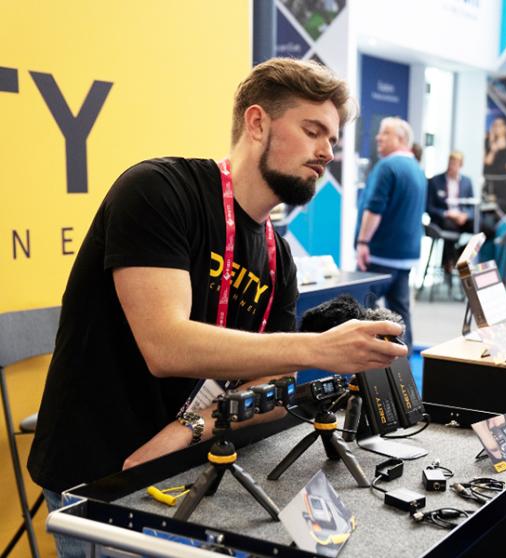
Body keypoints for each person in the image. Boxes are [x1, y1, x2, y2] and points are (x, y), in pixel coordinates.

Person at [27, 58, 406, 555]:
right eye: (313, 131)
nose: (327, 152)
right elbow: (166, 345)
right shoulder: (159, 192)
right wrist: (317, 347)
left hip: (189, 464)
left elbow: (268, 380)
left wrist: (187, 431)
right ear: (256, 123)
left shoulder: (278, 255)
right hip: (102, 477)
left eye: (333, 139)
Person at [355, 116, 426, 350]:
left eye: (385, 133)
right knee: (401, 312)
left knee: (362, 311)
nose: (378, 137)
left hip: (379, 254)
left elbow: (374, 209)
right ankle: (402, 360)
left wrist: (363, 242)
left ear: (400, 139)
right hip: (404, 256)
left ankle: (359, 368)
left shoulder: (387, 167)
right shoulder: (417, 168)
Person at [426, 150, 475, 273]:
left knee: (487, 228)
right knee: (450, 226)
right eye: (450, 162)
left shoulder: (467, 182)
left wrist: (466, 215)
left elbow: (472, 206)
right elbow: (428, 207)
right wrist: (447, 214)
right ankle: (449, 261)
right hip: (443, 219)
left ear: (461, 165)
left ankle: (457, 255)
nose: (451, 166)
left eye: (455, 163)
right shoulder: (435, 181)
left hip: (462, 218)